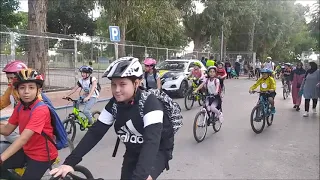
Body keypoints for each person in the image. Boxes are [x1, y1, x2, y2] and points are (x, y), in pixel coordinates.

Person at [50, 57, 169, 180]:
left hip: (157, 151)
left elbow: (152, 142)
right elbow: (95, 132)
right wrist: (69, 163)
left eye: (122, 84)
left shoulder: (151, 103)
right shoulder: (114, 104)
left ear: (136, 83)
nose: (117, 90)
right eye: (113, 84)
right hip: (132, 150)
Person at [0, 68, 58, 179]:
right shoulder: (20, 107)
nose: (26, 91)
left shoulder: (41, 110)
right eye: (22, 87)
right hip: (27, 150)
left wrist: (2, 158)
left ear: (38, 90)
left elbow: (23, 139)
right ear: (17, 90)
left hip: (43, 155)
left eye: (31, 87)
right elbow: (7, 130)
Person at [1, 61, 29, 154]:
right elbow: (2, 102)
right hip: (21, 121)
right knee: (6, 131)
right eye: (8, 78)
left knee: (8, 132)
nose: (9, 81)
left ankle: (26, 151)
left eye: (12, 78)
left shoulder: (30, 94)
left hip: (32, 126)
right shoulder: (12, 89)